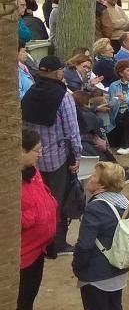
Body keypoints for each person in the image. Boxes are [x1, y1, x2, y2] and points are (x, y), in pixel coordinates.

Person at [21, 56, 83, 253]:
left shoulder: (30, 92)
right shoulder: (63, 97)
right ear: (58, 73)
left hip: (33, 159)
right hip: (57, 160)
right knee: (56, 202)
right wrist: (76, 156)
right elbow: (72, 131)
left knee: (37, 200)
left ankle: (39, 242)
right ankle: (55, 243)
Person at [72, 161, 129, 310]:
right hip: (118, 269)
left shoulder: (95, 208)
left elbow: (84, 245)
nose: (90, 178)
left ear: (102, 184)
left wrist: (77, 267)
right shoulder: (123, 203)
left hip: (97, 274)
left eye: (94, 177)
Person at [18, 127, 57, 310]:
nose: (40, 154)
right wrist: (32, 218)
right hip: (21, 258)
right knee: (20, 304)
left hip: (37, 251)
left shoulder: (32, 172)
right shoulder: (10, 181)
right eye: (36, 150)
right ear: (21, 151)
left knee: (29, 299)